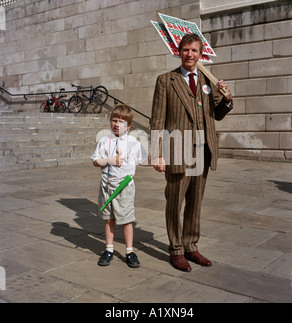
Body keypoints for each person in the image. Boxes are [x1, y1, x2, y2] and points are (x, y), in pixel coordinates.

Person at [151, 33, 233, 272]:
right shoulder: (166, 80)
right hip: (178, 150)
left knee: (195, 203)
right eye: (186, 50)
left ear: (200, 54)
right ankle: (176, 250)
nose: (190, 54)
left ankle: (191, 246)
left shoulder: (207, 81)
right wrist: (157, 152)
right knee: (175, 203)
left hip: (204, 150)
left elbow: (217, 113)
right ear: (179, 52)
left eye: (194, 51)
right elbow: (157, 119)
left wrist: (227, 98)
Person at [91, 104, 148, 268]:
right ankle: (109, 249)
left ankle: (129, 251)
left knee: (126, 220)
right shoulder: (104, 141)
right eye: (113, 120)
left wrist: (156, 163)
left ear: (128, 125)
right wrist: (109, 161)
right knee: (109, 219)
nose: (116, 124)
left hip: (124, 187)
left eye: (121, 121)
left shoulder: (133, 143)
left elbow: (143, 160)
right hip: (107, 186)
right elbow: (95, 161)